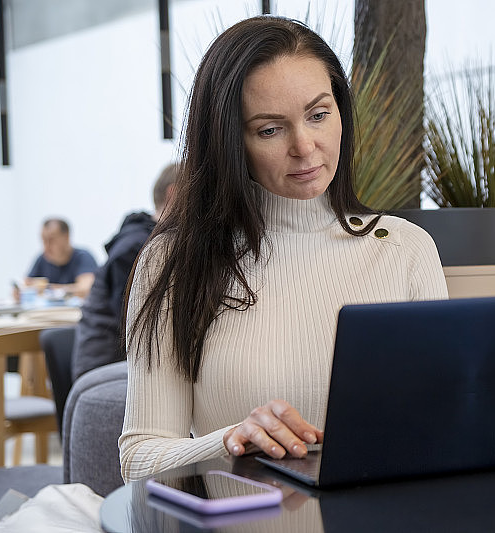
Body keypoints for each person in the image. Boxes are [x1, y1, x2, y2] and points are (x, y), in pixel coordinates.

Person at [119, 16, 448, 483]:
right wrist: (232, 439)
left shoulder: (405, 249)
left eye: (318, 115)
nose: (305, 147)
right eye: (270, 129)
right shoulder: (174, 263)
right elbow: (137, 462)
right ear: (231, 141)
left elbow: (443, 424)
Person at [71, 163, 178, 381]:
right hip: (105, 370)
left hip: (123, 363)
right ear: (174, 193)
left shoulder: (149, 239)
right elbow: (135, 326)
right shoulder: (136, 247)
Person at [24, 218, 98, 298]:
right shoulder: (42, 259)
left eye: (51, 240)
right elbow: (26, 285)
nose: (46, 245)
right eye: (44, 240)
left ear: (66, 237)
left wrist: (47, 288)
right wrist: (20, 292)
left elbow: (85, 289)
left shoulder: (83, 257)